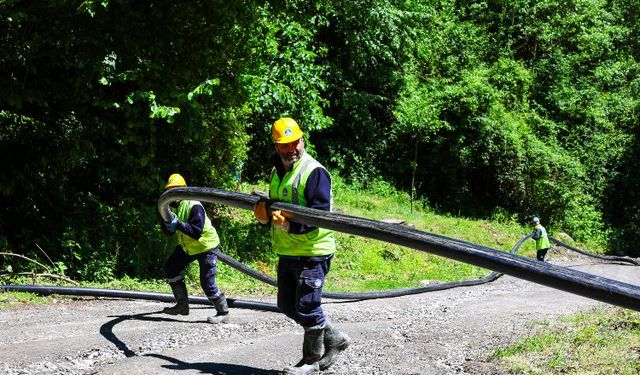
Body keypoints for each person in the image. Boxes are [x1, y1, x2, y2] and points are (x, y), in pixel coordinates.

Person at [253, 117, 350, 375]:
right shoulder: (276, 172)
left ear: (302, 140)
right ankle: (335, 338)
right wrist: (264, 220)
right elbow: (276, 211)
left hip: (313, 252)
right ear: (276, 147)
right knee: (287, 305)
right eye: (285, 145)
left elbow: (319, 215)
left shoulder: (314, 172)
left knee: (307, 307)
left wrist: (290, 227)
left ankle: (310, 361)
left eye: (296, 142)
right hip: (288, 252)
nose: (292, 149)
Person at [161, 173, 229, 324]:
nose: (173, 193)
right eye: (170, 190)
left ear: (184, 189)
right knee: (170, 268)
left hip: (206, 246)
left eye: (176, 189)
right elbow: (171, 232)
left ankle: (223, 312)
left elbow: (196, 232)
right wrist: (168, 227)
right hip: (189, 247)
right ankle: (182, 306)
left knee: (207, 282)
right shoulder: (174, 207)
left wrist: (177, 224)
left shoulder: (194, 205)